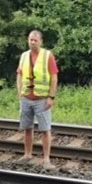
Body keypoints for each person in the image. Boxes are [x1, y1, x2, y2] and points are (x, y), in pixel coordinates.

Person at [16, 29, 59, 169]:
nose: (32, 42)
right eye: (30, 39)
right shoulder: (24, 56)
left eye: (35, 40)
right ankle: (27, 154)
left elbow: (54, 77)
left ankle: (46, 159)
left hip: (42, 99)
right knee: (27, 127)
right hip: (26, 97)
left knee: (45, 129)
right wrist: (19, 93)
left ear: (41, 41)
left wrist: (51, 97)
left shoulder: (47, 56)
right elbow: (19, 74)